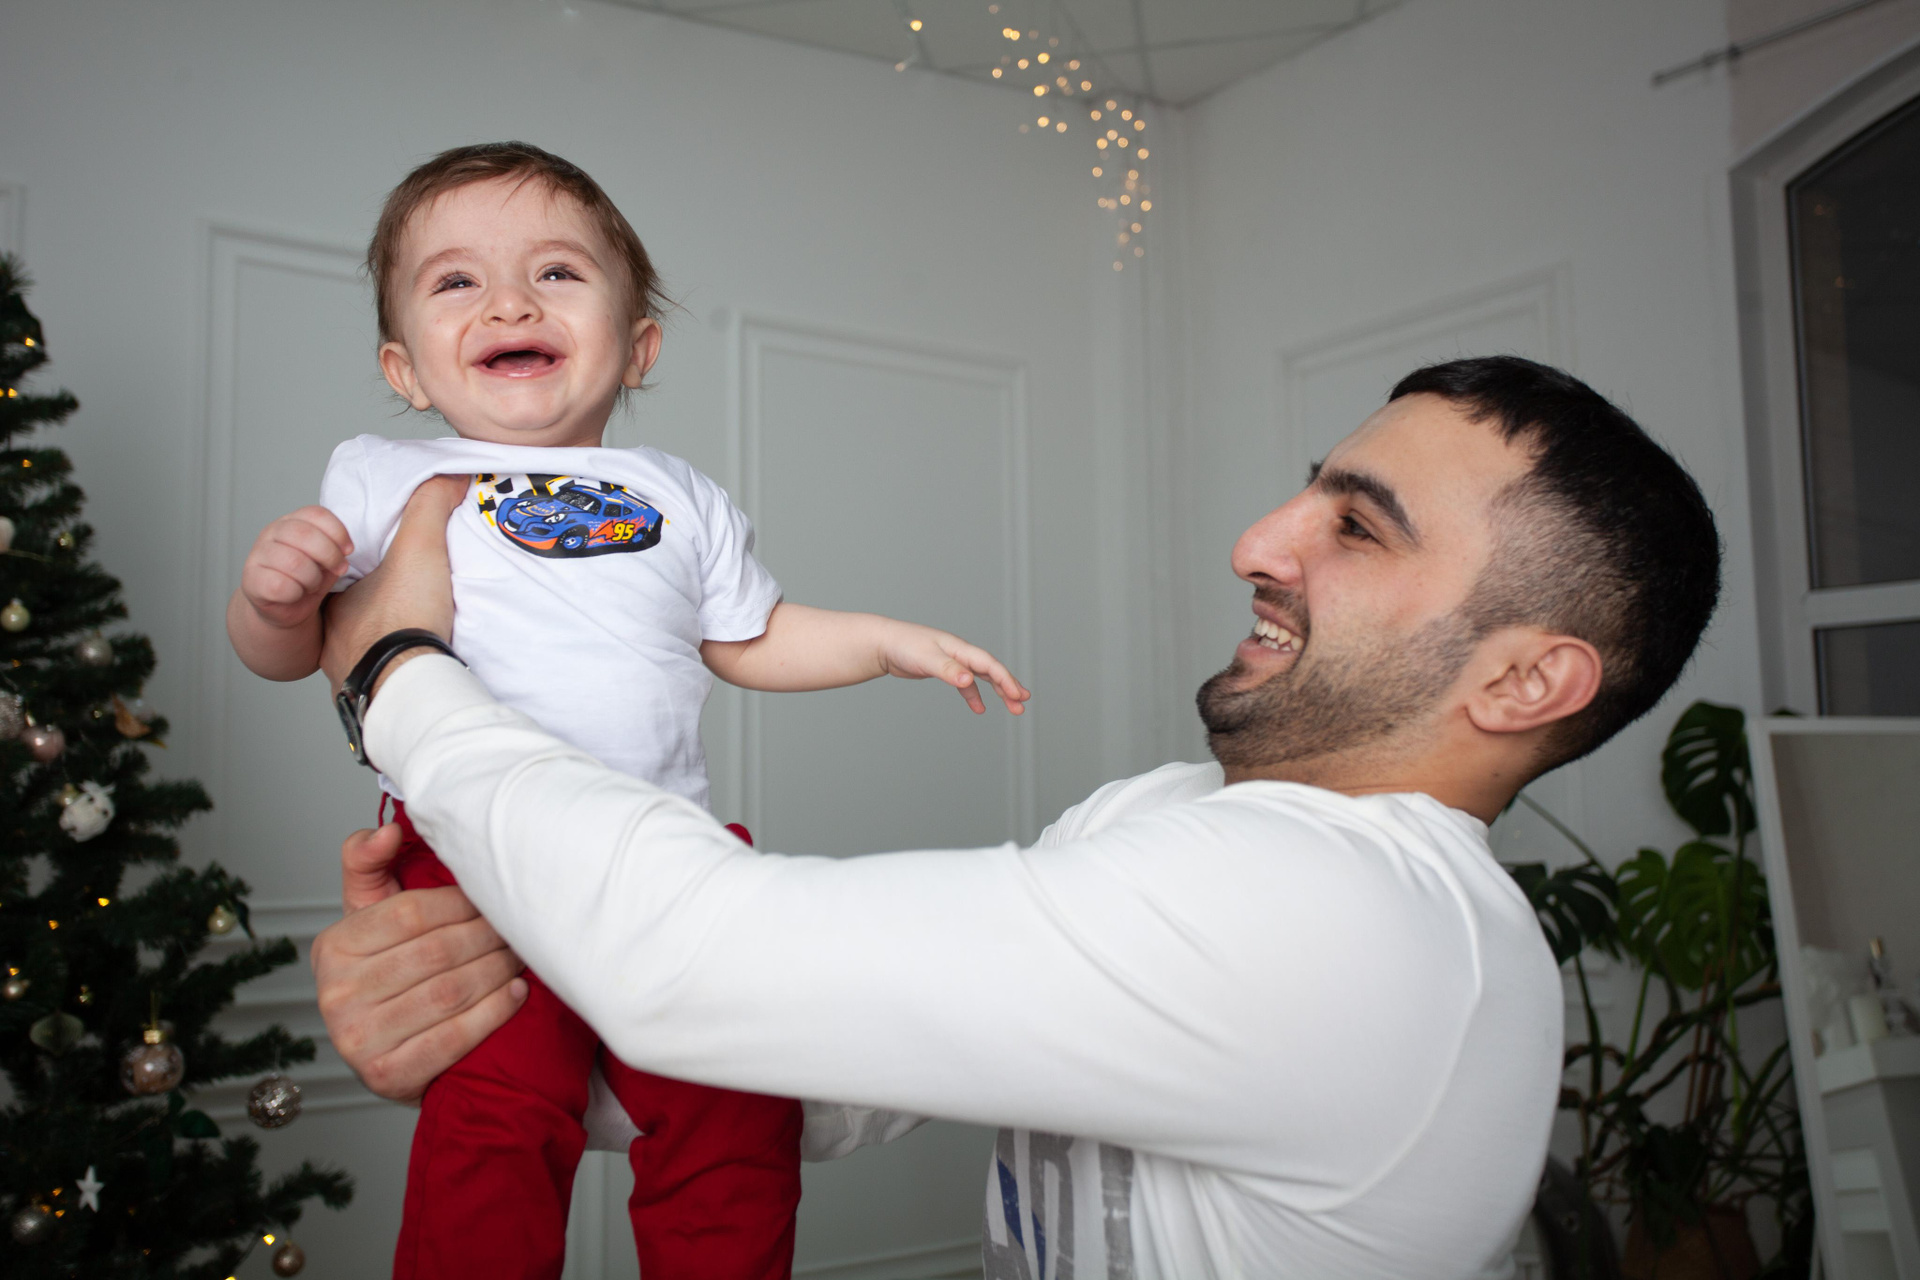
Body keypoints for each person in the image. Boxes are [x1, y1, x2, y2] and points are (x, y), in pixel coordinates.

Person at [311, 356, 1723, 1279]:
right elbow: (825, 1063)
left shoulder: (1357, 915)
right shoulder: (1171, 816)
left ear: (1526, 679)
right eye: (1307, 491)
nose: (1259, 543)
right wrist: (487, 1033)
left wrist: (397, 672)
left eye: (1356, 526)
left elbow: (693, 961)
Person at [228, 142, 1029, 1280]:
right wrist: (272, 599)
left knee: (736, 1106)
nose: (510, 301)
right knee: (499, 1114)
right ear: (404, 367)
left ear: (638, 347)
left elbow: (749, 636)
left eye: (556, 272)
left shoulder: (677, 492)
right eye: (457, 281)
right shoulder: (383, 475)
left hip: (665, 846)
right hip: (469, 859)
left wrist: (886, 643)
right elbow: (313, 652)